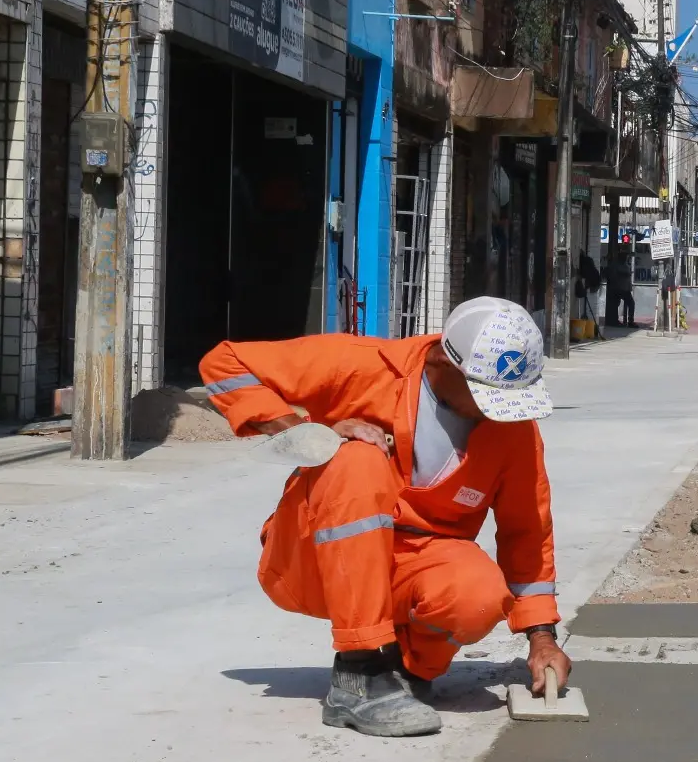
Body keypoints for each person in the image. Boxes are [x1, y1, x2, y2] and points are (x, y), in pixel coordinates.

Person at [199, 298, 571, 739]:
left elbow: (527, 528)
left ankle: (404, 672)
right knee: (358, 459)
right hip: (314, 558)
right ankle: (360, 669)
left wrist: (541, 636)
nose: (497, 410)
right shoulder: (363, 368)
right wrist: (304, 430)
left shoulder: (510, 428)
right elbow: (224, 363)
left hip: (412, 564)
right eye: (487, 395)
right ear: (445, 362)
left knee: (481, 595)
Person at [607, 248, 636, 327]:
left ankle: (629, 321)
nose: (626, 258)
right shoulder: (616, 265)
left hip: (625, 288)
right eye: (625, 256)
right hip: (619, 288)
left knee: (629, 303)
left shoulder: (625, 264)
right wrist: (623, 274)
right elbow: (613, 275)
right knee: (623, 303)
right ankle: (619, 320)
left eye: (626, 256)